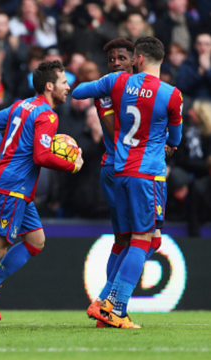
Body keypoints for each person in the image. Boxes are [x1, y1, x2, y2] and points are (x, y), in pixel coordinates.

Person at [0, 60, 83, 328]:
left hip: (15, 185)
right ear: (49, 86)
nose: (68, 86)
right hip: (13, 187)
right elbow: (42, 155)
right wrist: (72, 164)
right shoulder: (48, 115)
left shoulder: (21, 106)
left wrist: (5, 151)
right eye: (63, 82)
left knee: (35, 240)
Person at [72, 36, 183, 328]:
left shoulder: (116, 82)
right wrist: (165, 143)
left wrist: (103, 95)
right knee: (145, 239)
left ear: (140, 59)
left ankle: (105, 303)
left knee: (130, 240)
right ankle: (115, 307)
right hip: (147, 174)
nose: (130, 62)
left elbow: (80, 90)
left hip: (118, 171)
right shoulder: (171, 94)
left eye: (132, 57)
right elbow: (176, 139)